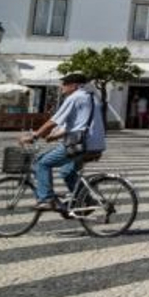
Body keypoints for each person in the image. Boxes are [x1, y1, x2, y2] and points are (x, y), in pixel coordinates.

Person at [19, 73, 105, 212]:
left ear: (75, 85)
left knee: (41, 163)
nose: (61, 87)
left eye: (64, 84)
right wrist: (54, 136)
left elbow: (53, 121)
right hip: (95, 144)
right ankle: (85, 200)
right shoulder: (92, 98)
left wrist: (35, 135)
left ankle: (46, 199)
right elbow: (81, 124)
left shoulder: (75, 97)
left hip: (79, 145)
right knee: (67, 171)